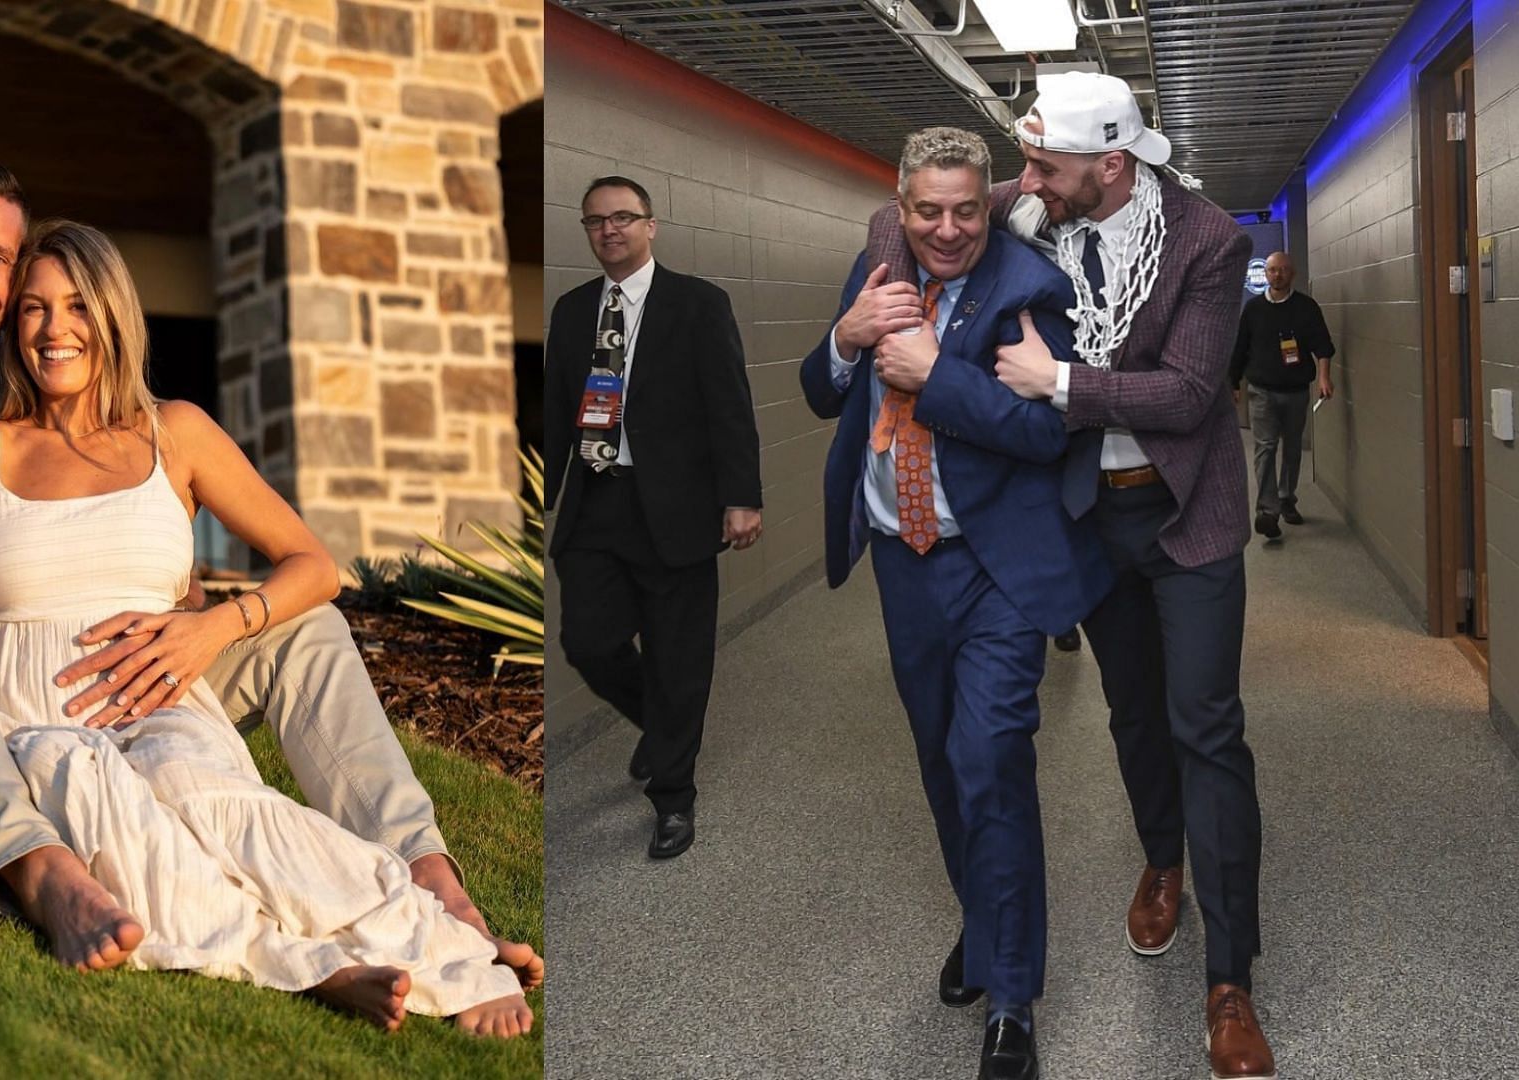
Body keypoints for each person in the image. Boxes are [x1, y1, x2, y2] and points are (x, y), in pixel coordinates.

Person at [0, 153, 540, 994]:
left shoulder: (59, 392)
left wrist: (211, 620)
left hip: (110, 687)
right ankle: (41, 872)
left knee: (306, 627)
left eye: (0, 262)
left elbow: (246, 565)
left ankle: (430, 878)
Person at [883, 72, 1271, 1080]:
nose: (1026, 183)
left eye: (1045, 167)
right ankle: (1162, 857)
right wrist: (871, 296)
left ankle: (1230, 980)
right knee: (1134, 713)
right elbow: (915, 225)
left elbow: (1188, 394)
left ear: (1109, 164)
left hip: (1187, 514)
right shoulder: (1030, 212)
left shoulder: (1209, 242)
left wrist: (1056, 382)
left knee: (1207, 725)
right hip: (1085, 519)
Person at [801, 127, 1111, 1080]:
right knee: (940, 761)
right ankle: (984, 925)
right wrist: (844, 343)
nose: (946, 229)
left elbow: (1040, 433)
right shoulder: (874, 267)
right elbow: (822, 394)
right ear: (902, 208)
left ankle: (1012, 994)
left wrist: (939, 380)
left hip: (996, 571)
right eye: (928, 211)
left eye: (966, 210)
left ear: (993, 203)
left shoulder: (1031, 287)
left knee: (990, 760)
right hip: (905, 566)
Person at [542, 175, 763, 859]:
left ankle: (673, 797)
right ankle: (659, 726)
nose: (610, 230)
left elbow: (729, 403)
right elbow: (553, 412)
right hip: (596, 500)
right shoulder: (573, 310)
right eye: (596, 222)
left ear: (651, 225)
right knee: (588, 641)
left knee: (678, 658)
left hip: (676, 508)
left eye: (623, 218)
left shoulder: (697, 304)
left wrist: (742, 496)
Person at [1230, 250, 1336, 539]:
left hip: (1296, 391)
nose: (1278, 275)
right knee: (1265, 448)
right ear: (1265, 274)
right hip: (1261, 391)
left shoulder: (1306, 307)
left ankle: (1286, 497)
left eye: (1284, 270)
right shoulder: (1252, 310)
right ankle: (1268, 510)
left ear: (1293, 274)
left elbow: (1323, 346)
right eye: (1273, 270)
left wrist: (1324, 378)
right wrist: (1233, 384)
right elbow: (1239, 349)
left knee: (1291, 448)